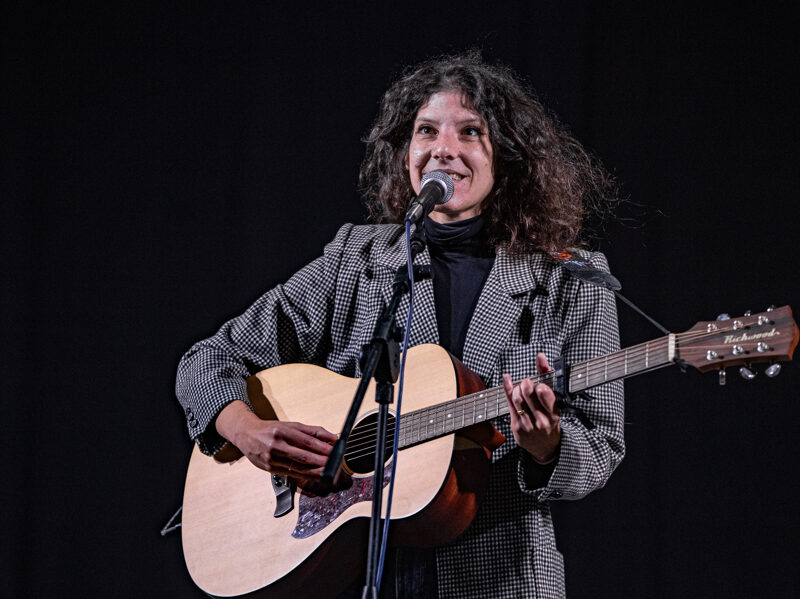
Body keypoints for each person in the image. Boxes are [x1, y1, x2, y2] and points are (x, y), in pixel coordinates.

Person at [176, 52, 624, 598]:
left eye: (470, 132)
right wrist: (250, 434)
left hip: (499, 577)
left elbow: (600, 445)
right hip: (350, 572)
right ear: (405, 153)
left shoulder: (572, 280)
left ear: (506, 156)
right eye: (426, 131)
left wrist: (547, 445)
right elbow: (206, 361)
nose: (444, 150)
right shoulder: (355, 261)